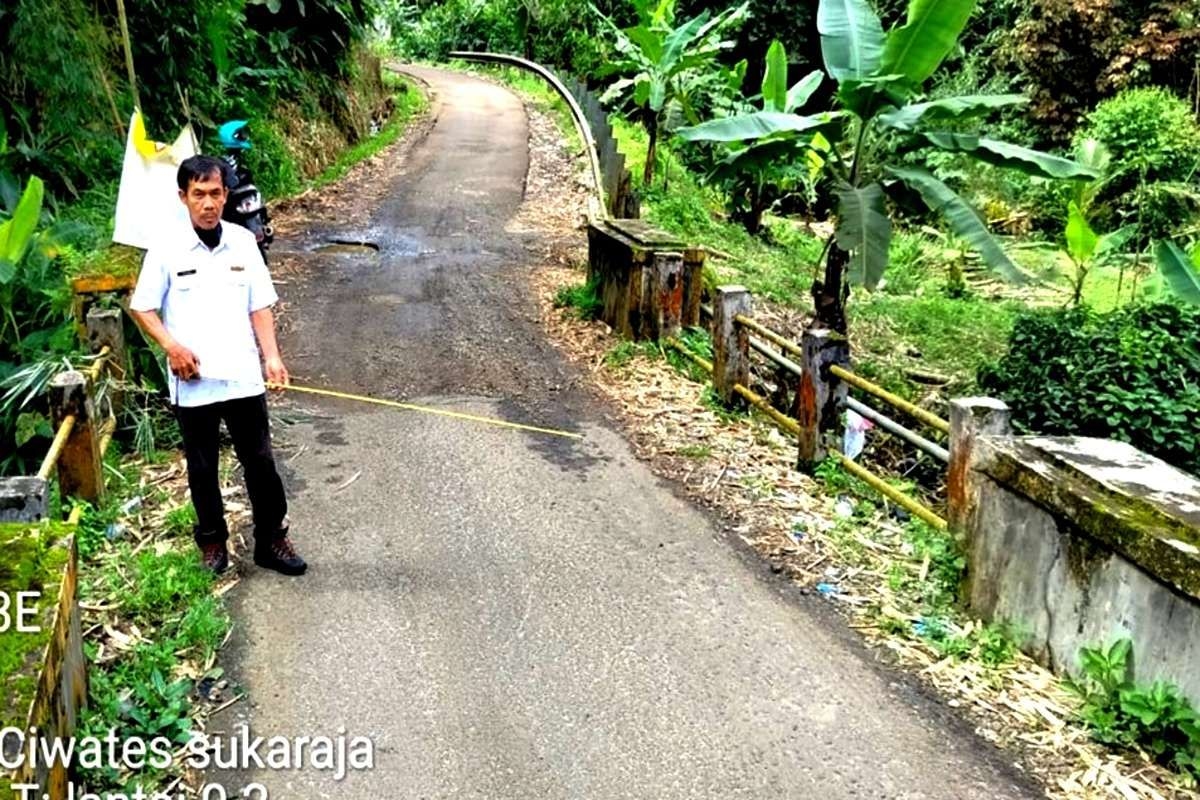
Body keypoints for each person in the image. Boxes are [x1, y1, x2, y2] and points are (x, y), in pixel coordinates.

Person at [129, 154, 306, 576]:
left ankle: (272, 540)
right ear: (183, 197)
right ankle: (212, 544)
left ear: (226, 195)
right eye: (198, 195)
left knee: (260, 461)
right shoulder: (166, 248)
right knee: (203, 466)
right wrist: (172, 347)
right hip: (194, 383)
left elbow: (260, 306)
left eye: (214, 194)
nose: (208, 203)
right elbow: (143, 308)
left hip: (243, 376)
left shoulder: (244, 243)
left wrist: (273, 356)